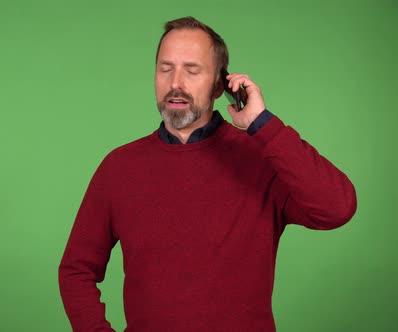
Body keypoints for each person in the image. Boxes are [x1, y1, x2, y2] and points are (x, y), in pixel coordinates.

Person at [58, 16, 357, 332]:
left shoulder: (263, 158)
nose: (176, 83)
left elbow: (336, 208)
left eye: (192, 70)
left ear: (220, 84)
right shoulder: (119, 167)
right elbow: (76, 270)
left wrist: (263, 124)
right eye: (165, 68)